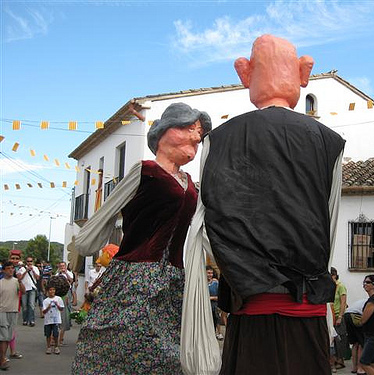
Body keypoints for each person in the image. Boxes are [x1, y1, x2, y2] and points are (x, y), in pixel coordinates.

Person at [184, 34, 345, 375]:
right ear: (303, 74)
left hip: (249, 308)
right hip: (306, 309)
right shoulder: (329, 142)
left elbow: (210, 225)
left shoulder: (218, 140)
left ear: (245, 74)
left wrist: (243, 268)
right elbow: (327, 227)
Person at [71, 102, 211, 375]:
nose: (195, 137)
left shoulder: (192, 184)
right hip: (135, 275)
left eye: (198, 134)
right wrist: (88, 243)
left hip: (173, 279)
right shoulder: (144, 171)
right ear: (161, 135)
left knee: (168, 353)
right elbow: (106, 214)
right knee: (124, 342)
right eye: (187, 128)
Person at [0, 261, 25, 371]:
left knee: (9, 336)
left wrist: (20, 281)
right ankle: (2, 359)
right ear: (3, 270)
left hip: (13, 311)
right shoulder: (1, 282)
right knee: (4, 336)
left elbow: (23, 292)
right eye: (8, 268)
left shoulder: (16, 282)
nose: (11, 270)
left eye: (12, 268)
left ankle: (3, 357)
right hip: (2, 311)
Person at [330, 267, 348, 370]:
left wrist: (340, 316)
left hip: (337, 315)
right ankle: (335, 360)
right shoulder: (331, 287)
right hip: (331, 315)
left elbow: (343, 302)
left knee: (339, 338)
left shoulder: (340, 286)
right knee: (333, 339)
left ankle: (340, 360)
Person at [344, 298, 368, 375]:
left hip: (347, 315)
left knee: (355, 343)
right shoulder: (372, 302)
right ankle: (360, 368)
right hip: (356, 316)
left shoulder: (362, 301)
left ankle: (354, 367)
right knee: (362, 343)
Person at [16, 255, 40, 327]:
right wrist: (26, 271)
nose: (29, 263)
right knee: (24, 305)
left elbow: (38, 278)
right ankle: (25, 320)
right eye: (28, 261)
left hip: (32, 288)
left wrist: (32, 270)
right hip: (24, 289)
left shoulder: (35, 268)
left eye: (31, 261)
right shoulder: (22, 269)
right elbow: (19, 278)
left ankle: (31, 320)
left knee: (31, 305)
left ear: (33, 262)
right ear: (26, 262)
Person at [55, 261, 74, 347]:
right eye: (61, 266)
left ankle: (61, 338)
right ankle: (54, 339)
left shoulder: (69, 273)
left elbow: (71, 281)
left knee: (66, 312)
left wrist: (66, 273)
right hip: (58, 295)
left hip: (67, 294)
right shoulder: (56, 275)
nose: (62, 267)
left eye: (63, 266)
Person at [42, 286, 64, 355]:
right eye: (50, 290)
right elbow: (44, 312)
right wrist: (48, 307)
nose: (52, 291)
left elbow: (61, 309)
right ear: (48, 291)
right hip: (48, 320)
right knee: (48, 334)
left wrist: (57, 305)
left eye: (53, 290)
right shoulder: (45, 301)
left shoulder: (58, 299)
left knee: (56, 333)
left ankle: (56, 347)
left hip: (56, 320)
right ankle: (48, 347)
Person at [206, 266, 222, 340]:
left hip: (214, 305)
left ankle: (218, 333)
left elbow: (219, 296)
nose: (210, 275)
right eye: (208, 273)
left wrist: (211, 298)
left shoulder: (215, 283)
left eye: (211, 273)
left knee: (216, 319)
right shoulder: (202, 283)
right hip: (206, 306)